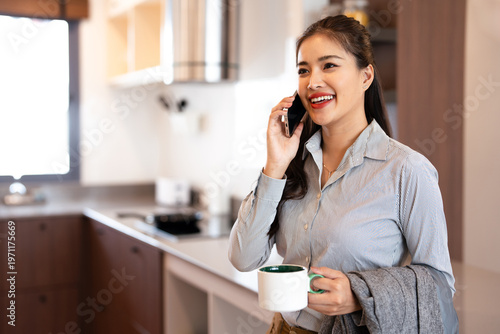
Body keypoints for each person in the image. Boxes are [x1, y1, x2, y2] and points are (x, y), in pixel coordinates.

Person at [228, 15, 458, 333]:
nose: (313, 81)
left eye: (329, 65)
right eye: (303, 70)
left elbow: (439, 288)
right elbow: (243, 259)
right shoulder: (293, 166)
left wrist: (360, 294)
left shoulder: (407, 171)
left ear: (366, 77)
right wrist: (275, 165)